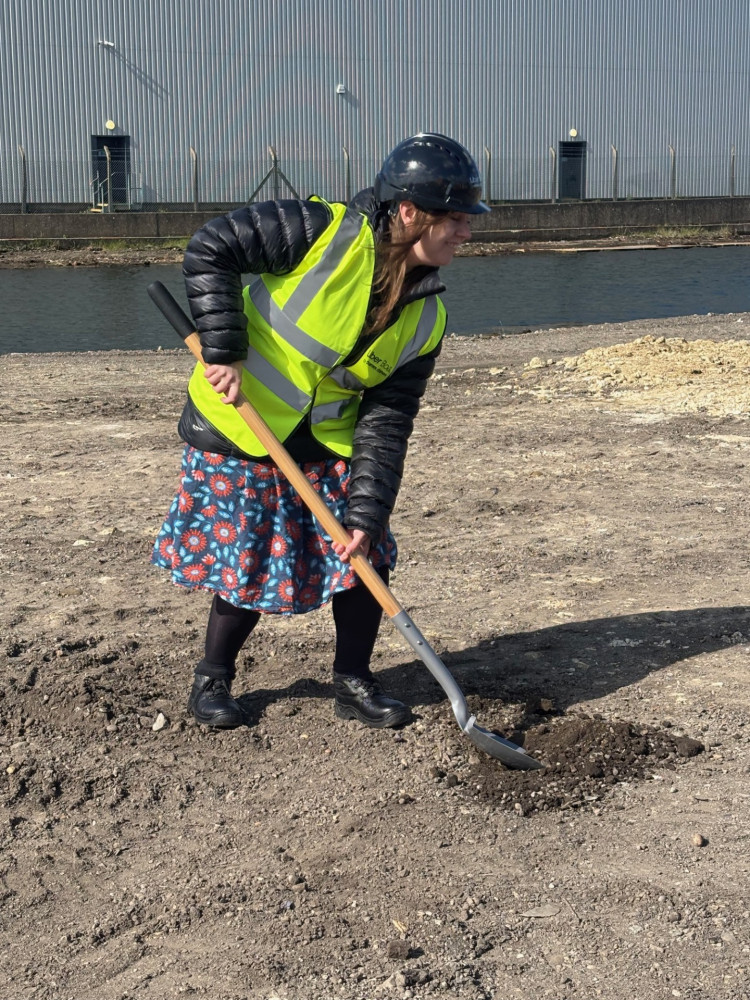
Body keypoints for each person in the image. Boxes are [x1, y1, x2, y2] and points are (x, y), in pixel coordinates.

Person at [151, 132, 490, 730]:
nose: (467, 232)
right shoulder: (318, 231)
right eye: (456, 218)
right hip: (241, 428)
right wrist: (224, 349)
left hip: (328, 443)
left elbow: (387, 422)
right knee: (245, 557)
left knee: (367, 556)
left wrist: (366, 512)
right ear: (410, 212)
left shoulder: (427, 316)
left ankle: (354, 680)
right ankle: (213, 678)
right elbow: (211, 248)